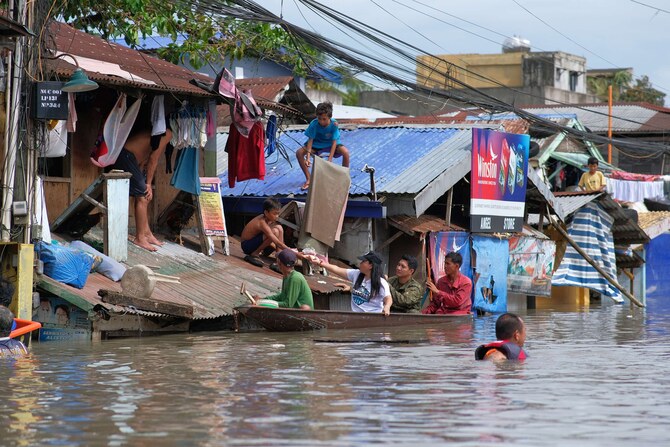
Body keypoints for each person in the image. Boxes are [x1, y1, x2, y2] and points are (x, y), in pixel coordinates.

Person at [110, 127, 173, 252]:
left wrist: (143, 177)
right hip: (125, 155)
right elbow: (153, 159)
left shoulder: (160, 131)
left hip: (130, 157)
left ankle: (147, 233)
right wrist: (148, 184)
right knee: (143, 195)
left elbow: (145, 156)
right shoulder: (167, 133)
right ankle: (140, 238)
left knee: (145, 197)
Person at [316, 251, 392, 316]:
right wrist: (320, 263)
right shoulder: (356, 274)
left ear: (371, 265)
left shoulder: (381, 282)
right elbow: (337, 269)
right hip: (356, 316)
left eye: (363, 261)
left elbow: (388, 298)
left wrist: (387, 307)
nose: (360, 263)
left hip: (373, 317)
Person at [295, 101, 350, 190]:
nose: (321, 121)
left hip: (331, 145)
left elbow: (334, 142)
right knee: (299, 153)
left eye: (324, 119)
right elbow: (310, 141)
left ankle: (344, 179)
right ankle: (309, 179)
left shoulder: (334, 124)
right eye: (319, 118)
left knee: (346, 152)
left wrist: (330, 159)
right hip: (317, 145)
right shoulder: (314, 124)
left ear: (330, 117)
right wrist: (308, 158)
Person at [240, 198, 289, 269]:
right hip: (247, 246)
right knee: (275, 232)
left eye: (278, 213)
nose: (277, 216)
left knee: (279, 228)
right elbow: (277, 242)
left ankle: (279, 259)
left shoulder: (269, 219)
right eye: (275, 214)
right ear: (266, 212)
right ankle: (255, 253)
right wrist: (295, 253)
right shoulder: (261, 222)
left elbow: (278, 240)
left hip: (254, 242)